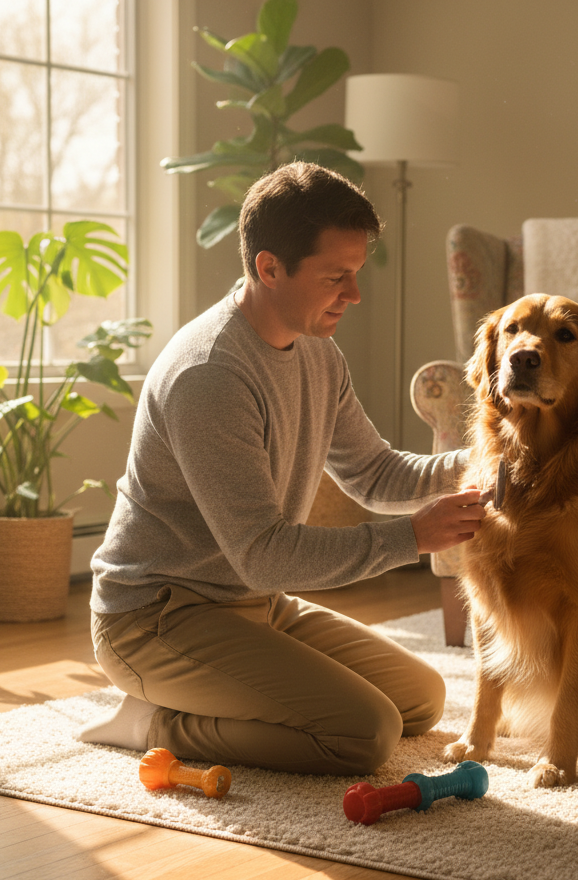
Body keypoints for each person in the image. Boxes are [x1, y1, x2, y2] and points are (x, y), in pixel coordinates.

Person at [77, 162, 485, 776]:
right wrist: (411, 538)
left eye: (355, 274)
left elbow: (374, 473)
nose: (353, 294)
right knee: (364, 735)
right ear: (269, 268)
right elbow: (262, 554)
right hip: (156, 618)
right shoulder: (209, 375)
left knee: (421, 701)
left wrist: (484, 463)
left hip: (254, 604)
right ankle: (155, 721)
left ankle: (205, 699)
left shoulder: (319, 353)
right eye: (335, 277)